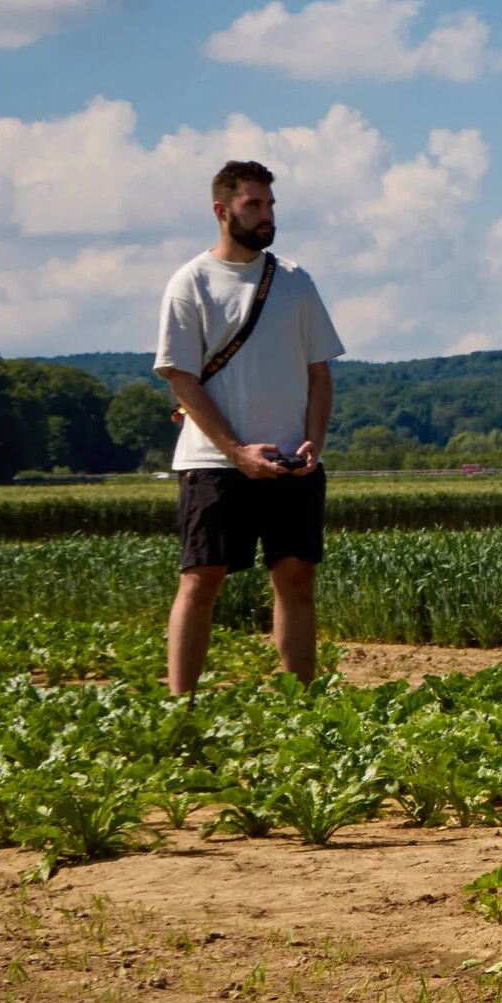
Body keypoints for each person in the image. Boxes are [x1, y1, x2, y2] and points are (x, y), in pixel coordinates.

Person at [154, 157, 344, 694]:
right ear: (222, 210)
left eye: (270, 205)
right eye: (253, 205)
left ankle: (298, 708)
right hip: (214, 461)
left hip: (291, 460)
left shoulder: (295, 281)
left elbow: (319, 373)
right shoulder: (190, 282)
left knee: (296, 578)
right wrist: (237, 452)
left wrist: (314, 444)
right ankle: (180, 709)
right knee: (202, 579)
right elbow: (180, 380)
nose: (266, 216)